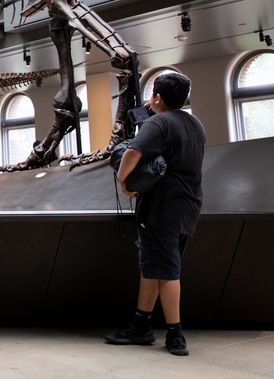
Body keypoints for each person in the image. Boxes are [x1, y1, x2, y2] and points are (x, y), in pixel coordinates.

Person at [105, 71, 206, 357]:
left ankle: (175, 334)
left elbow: (131, 153)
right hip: (189, 206)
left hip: (162, 208)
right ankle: (141, 322)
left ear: (157, 97)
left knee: (168, 272)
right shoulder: (195, 123)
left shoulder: (158, 122)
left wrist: (124, 182)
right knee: (154, 265)